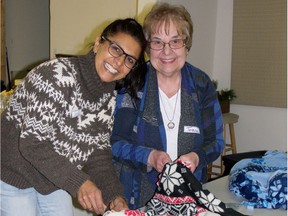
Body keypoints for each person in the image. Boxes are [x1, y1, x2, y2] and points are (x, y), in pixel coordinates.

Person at [0, 18, 147, 216]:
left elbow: (98, 152)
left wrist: (114, 196)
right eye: (116, 49)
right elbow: (33, 144)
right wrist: (80, 183)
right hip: (12, 174)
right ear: (98, 43)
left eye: (129, 59)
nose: (119, 62)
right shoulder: (55, 76)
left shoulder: (108, 96)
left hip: (50, 177)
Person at [111, 3, 225, 209]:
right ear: (148, 47)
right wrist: (149, 156)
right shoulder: (133, 83)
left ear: (186, 46)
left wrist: (196, 157)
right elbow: (115, 143)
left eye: (175, 41)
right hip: (139, 196)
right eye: (157, 42)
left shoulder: (201, 84)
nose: (166, 51)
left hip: (190, 196)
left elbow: (215, 142)